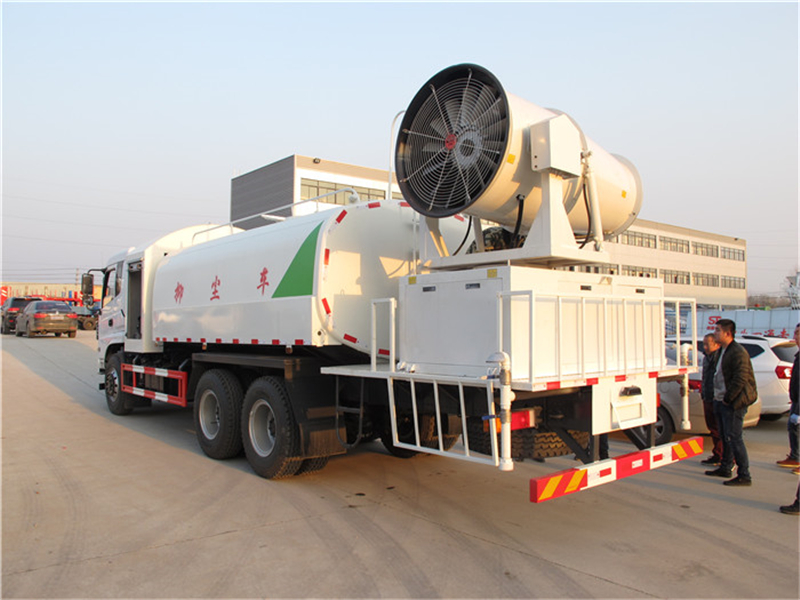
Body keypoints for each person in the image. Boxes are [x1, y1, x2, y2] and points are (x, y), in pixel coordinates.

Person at [704, 319, 758, 486]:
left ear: (727, 333)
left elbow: (741, 378)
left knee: (735, 438)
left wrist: (728, 399)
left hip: (733, 403)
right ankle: (725, 467)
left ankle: (744, 474)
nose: (715, 333)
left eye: (718, 330)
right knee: (724, 436)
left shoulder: (737, 352)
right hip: (719, 400)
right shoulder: (722, 351)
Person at [776, 323, 800, 469]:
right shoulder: (798, 355)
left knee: (797, 428)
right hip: (796, 399)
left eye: (798, 333)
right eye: (795, 332)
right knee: (793, 428)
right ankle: (795, 456)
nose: (795, 336)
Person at [699, 333, 723, 465]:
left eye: (708, 344)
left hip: (716, 398)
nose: (705, 347)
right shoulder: (706, 358)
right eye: (704, 344)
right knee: (712, 428)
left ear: (717, 344)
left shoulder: (719, 358)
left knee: (719, 429)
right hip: (707, 396)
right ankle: (717, 453)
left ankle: (723, 456)